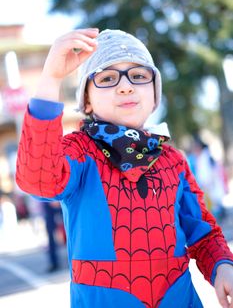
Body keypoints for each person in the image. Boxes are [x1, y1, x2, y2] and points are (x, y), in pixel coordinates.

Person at [16, 28, 233, 308]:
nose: (125, 86)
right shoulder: (79, 152)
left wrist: (222, 265)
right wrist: (51, 79)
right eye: (107, 78)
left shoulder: (173, 160)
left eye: (139, 76)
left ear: (155, 95)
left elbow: (203, 232)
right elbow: (38, 179)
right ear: (87, 101)